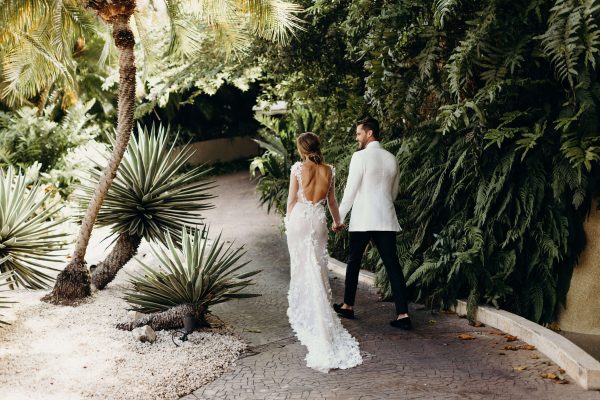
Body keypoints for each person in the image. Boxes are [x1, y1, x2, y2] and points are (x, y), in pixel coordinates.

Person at [285, 132, 363, 373]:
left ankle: (307, 311)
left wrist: (288, 223)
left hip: (299, 220)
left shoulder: (297, 168)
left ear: (302, 149)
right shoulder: (329, 170)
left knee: (300, 266)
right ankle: (321, 313)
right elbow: (332, 202)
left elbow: (290, 201)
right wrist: (338, 222)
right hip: (318, 221)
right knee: (318, 267)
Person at [332, 117, 412, 330]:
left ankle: (348, 305)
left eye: (359, 133)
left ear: (369, 133)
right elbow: (393, 193)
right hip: (385, 218)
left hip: (363, 219)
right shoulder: (391, 157)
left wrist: (339, 218)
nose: (357, 138)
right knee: (393, 265)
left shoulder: (359, 157)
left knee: (354, 262)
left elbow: (350, 191)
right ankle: (403, 314)